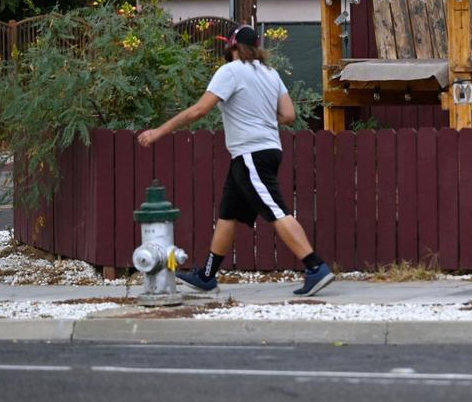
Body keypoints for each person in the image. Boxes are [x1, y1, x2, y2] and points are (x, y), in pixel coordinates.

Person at [137, 25, 335, 297]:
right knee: (228, 214)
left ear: (232, 47)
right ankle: (207, 275)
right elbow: (288, 115)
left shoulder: (230, 71)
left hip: (251, 153)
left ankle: (316, 267)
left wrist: (157, 131)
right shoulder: (270, 73)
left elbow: (198, 110)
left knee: (276, 211)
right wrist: (261, 116)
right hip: (263, 151)